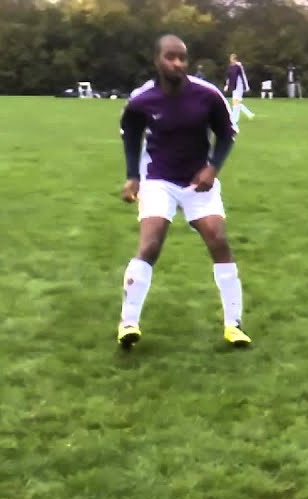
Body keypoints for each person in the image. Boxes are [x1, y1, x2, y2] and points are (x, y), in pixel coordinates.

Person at [117, 34, 251, 348]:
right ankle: (128, 323)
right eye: (170, 57)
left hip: (197, 180)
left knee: (218, 241)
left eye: (182, 58)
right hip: (158, 179)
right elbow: (131, 136)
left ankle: (234, 325)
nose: (177, 63)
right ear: (157, 60)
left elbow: (227, 134)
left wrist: (212, 168)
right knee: (150, 245)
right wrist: (131, 177)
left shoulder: (207, 95)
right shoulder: (141, 99)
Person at [223, 53, 256, 125]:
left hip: (239, 87)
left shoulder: (239, 67)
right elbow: (228, 77)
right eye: (231, 59)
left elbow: (243, 76)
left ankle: (235, 119)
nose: (231, 61)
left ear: (235, 59)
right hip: (234, 87)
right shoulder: (230, 67)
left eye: (232, 59)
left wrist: (246, 87)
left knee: (235, 102)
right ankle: (249, 114)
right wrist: (227, 85)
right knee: (236, 103)